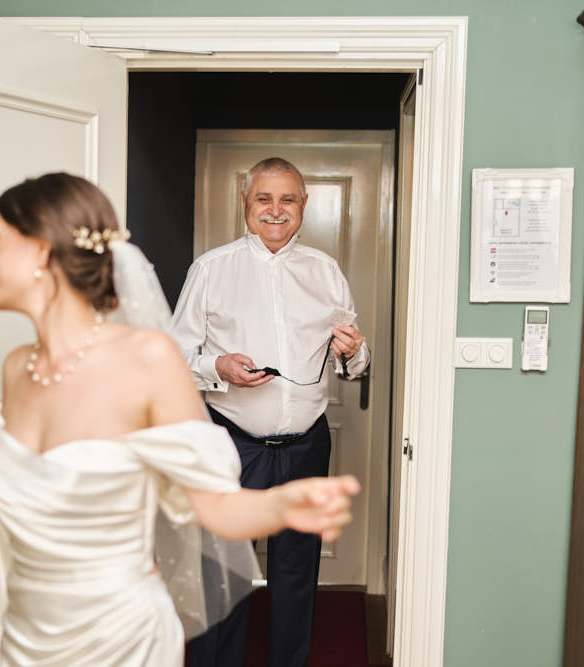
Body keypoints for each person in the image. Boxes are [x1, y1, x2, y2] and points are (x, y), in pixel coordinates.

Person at [0, 172, 360, 666]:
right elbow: (0, 482)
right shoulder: (19, 367)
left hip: (120, 636)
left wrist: (283, 504)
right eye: (264, 198)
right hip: (25, 633)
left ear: (41, 252)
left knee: (290, 580)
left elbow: (213, 507)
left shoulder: (147, 359)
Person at [174, 157, 370, 667]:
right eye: (264, 198)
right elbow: (174, 357)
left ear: (304, 204)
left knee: (297, 573)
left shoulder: (325, 271)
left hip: (306, 446)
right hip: (233, 444)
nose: (276, 210)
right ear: (246, 203)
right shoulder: (211, 269)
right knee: (223, 574)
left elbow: (353, 358)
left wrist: (354, 352)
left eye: (287, 199)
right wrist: (218, 366)